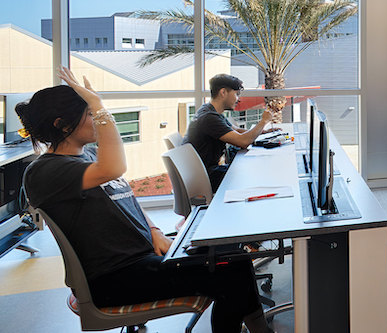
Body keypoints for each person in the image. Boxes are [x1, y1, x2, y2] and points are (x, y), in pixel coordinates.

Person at [17, 67, 271, 332]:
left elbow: (126, 199)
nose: (97, 120)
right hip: (116, 278)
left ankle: (260, 330)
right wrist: (98, 104)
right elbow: (115, 169)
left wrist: (154, 231)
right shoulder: (45, 172)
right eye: (91, 116)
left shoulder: (89, 155)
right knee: (231, 271)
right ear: (62, 125)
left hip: (142, 259)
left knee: (233, 256)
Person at [184, 74, 279, 192]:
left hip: (203, 173)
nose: (238, 99)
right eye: (236, 94)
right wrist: (263, 121)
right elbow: (243, 141)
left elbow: (237, 131)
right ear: (223, 92)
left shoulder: (209, 110)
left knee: (250, 168)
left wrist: (263, 132)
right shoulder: (209, 118)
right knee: (254, 173)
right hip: (205, 177)